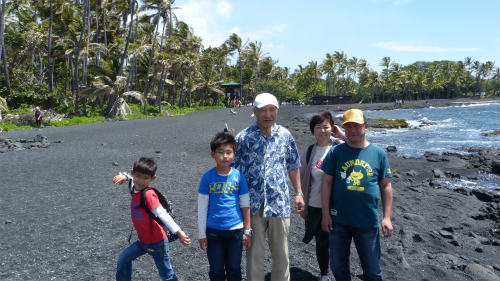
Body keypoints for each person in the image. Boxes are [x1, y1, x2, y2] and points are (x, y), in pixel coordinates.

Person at [232, 92, 304, 281]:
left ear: (277, 111)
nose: (267, 114)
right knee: (254, 253)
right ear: (255, 111)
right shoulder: (243, 137)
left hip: (279, 202)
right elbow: (230, 168)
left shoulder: (285, 135)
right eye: (263, 110)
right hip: (252, 204)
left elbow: (293, 165)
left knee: (281, 253)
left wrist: (298, 193)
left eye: (272, 110)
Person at [320, 109, 393, 281]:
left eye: (356, 126)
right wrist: (325, 215)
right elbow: (326, 183)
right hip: (338, 221)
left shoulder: (378, 153)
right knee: (338, 267)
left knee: (372, 270)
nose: (352, 130)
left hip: (368, 221)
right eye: (348, 127)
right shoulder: (335, 152)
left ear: (366, 127)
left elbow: (386, 186)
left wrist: (387, 217)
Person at [112, 157, 191, 281]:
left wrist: (179, 232)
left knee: (166, 274)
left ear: (152, 178)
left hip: (157, 242)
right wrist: (125, 176)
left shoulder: (148, 194)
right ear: (133, 173)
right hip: (143, 242)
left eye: (146, 178)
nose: (141, 181)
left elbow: (163, 214)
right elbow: (133, 180)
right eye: (138, 176)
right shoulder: (135, 188)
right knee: (124, 259)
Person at [198, 132, 252, 281]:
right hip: (213, 231)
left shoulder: (239, 177)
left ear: (234, 154)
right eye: (220, 152)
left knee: (234, 268)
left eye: (229, 152)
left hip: (235, 230)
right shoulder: (207, 178)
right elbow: (202, 208)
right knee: (216, 269)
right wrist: (202, 234)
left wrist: (247, 230)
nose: (225, 156)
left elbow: (245, 205)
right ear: (213, 154)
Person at [299, 111, 346, 281]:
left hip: (338, 206)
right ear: (313, 131)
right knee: (321, 243)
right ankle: (324, 275)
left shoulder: (340, 147)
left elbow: (360, 146)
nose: (322, 131)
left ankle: (341, 274)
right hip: (315, 204)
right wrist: (303, 204)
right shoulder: (310, 152)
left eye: (326, 126)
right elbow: (302, 179)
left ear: (332, 128)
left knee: (339, 242)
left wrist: (342, 134)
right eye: (318, 127)